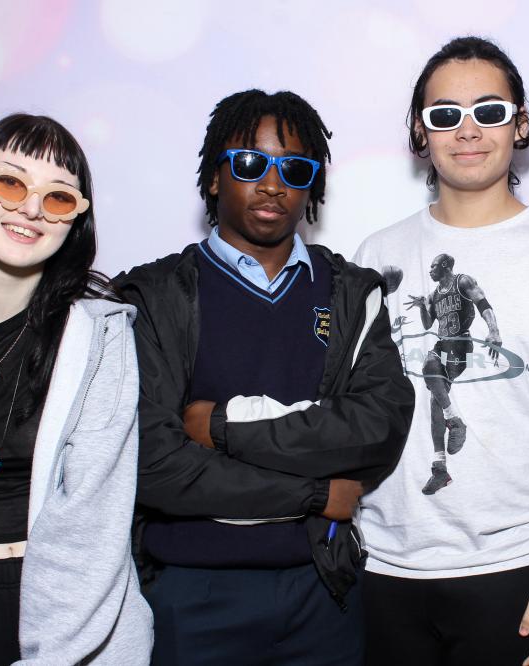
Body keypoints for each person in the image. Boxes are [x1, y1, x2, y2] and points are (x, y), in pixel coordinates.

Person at [354, 36, 529, 666]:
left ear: (520, 124)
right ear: (420, 131)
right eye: (445, 114)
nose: (468, 130)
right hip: (382, 571)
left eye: (489, 110)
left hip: (523, 572)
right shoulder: (375, 255)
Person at [116, 90, 414, 665]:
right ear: (213, 177)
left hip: (322, 590)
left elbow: (375, 428)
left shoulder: (351, 292)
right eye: (250, 164)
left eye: (294, 169)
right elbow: (155, 466)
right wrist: (315, 494)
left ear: (311, 187)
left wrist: (221, 427)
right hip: (192, 593)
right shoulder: (155, 297)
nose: (273, 185)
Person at [0, 114, 152, 664]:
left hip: (73, 625)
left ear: (75, 220)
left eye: (59, 197)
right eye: (11, 183)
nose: (31, 209)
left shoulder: (102, 336)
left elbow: (92, 523)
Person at [403, 252, 501, 492]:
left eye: (434, 266)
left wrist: (494, 330)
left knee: (431, 376)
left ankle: (453, 423)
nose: (430, 270)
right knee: (434, 396)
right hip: (443, 344)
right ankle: (440, 467)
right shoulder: (434, 295)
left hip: (460, 344)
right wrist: (423, 307)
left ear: (445, 266)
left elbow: (483, 303)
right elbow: (428, 324)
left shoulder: (463, 281)